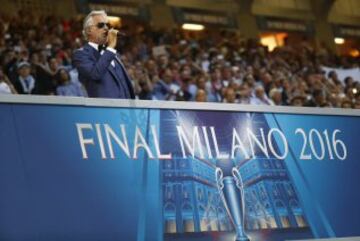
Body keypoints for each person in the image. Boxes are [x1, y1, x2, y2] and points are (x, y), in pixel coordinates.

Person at [72, 10, 135, 99]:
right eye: (101, 25)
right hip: (104, 110)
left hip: (126, 110)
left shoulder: (111, 53)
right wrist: (110, 47)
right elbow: (95, 75)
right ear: (89, 30)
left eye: (107, 25)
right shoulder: (81, 54)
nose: (106, 28)